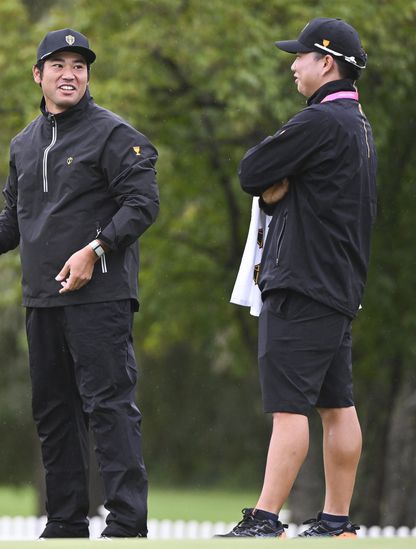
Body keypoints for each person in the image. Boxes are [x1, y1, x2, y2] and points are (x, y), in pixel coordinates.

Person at [0, 28, 159, 539]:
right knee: (53, 412)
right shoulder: (24, 143)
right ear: (38, 74)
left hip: (101, 296)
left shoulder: (114, 135)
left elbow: (142, 205)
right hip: (42, 298)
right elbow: (15, 213)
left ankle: (126, 523)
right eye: (58, 65)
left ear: (88, 75)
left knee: (108, 406)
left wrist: (96, 250)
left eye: (79, 66)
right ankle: (66, 522)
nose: (69, 75)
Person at [220, 18, 376, 538]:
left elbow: (250, 170)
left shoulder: (317, 123)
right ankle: (336, 521)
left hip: (302, 283)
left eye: (300, 56)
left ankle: (266, 519)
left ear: (325, 63)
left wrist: (271, 185)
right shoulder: (358, 125)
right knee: (337, 404)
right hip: (339, 287)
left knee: (289, 408)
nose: (293, 65)